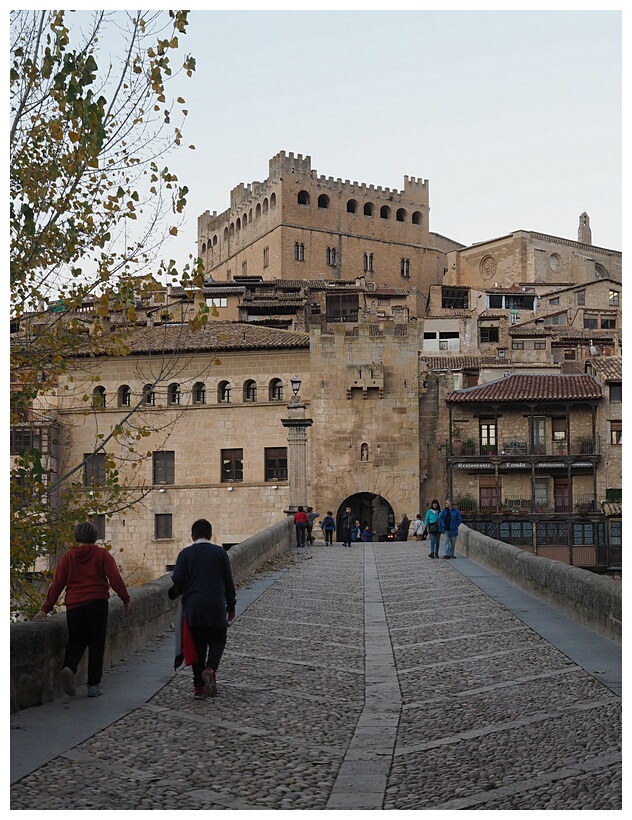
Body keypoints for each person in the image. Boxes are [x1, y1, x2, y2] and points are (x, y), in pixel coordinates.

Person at [33, 521, 131, 699]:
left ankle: (69, 668)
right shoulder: (102, 554)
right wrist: (125, 598)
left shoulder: (68, 557)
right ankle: (93, 685)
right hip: (97, 603)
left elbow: (57, 584)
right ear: (95, 537)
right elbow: (115, 578)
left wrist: (45, 608)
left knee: (76, 640)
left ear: (77, 536)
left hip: (75, 605)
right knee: (96, 643)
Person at [169, 518, 236, 700]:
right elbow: (229, 582)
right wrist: (231, 607)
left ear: (192, 536)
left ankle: (199, 688)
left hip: (194, 607)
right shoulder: (220, 553)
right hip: (215, 604)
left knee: (198, 645)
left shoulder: (185, 554)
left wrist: (177, 591)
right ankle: (210, 668)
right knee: (218, 639)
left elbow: (178, 579)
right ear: (210, 534)